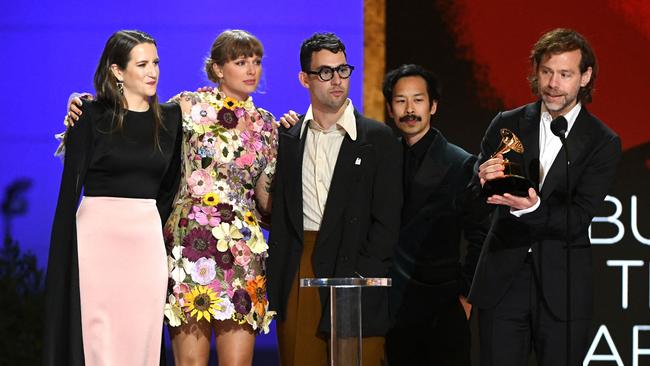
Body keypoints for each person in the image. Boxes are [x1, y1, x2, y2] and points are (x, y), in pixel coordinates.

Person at [64, 29, 278, 366]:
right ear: (219, 69)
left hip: (241, 250)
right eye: (241, 61)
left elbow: (266, 198)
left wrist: (297, 140)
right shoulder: (186, 108)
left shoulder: (267, 125)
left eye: (256, 62)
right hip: (189, 245)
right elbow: (131, 116)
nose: (252, 69)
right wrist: (83, 104)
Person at [469, 28, 622, 366]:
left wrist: (533, 208)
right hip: (502, 282)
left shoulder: (602, 142)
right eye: (546, 72)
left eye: (565, 74)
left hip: (562, 288)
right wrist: (481, 181)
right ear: (536, 72)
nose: (553, 83)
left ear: (585, 77)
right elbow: (471, 200)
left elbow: (579, 218)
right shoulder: (507, 124)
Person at [44, 30, 183, 365]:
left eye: (156, 63)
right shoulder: (89, 115)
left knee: (142, 333)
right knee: (98, 335)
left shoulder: (172, 119)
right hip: (97, 239)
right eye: (143, 64)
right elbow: (69, 189)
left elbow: (168, 189)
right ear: (118, 71)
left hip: (145, 241)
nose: (153, 71)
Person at [267, 32, 402, 366]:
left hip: (357, 264)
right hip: (302, 264)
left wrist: (367, 272)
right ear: (305, 79)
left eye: (343, 70)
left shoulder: (378, 138)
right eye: (325, 72)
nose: (337, 80)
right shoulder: (288, 137)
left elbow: (388, 217)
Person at [381, 64, 490, 365]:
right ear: (390, 109)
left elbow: (481, 235)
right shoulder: (382, 159)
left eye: (418, 100)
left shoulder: (461, 163)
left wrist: (466, 300)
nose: (409, 109)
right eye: (401, 101)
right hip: (393, 309)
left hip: (444, 308)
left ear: (433, 105)